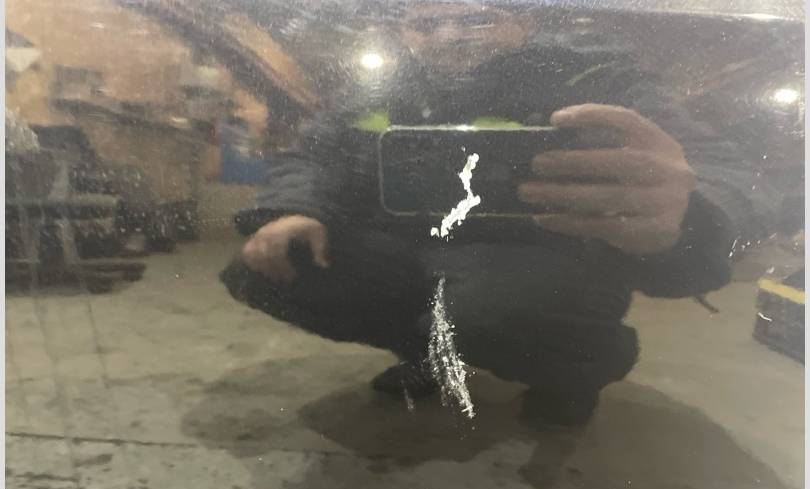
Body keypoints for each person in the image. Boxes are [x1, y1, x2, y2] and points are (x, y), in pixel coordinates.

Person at [221, 3, 778, 426]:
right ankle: (432, 356)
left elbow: (717, 165)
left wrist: (693, 207)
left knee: (484, 314)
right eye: (426, 23)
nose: (448, 36)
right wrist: (295, 208)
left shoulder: (594, 78)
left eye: (475, 18)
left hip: (545, 254)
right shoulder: (378, 88)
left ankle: (574, 372)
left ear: (524, 21)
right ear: (404, 30)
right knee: (272, 267)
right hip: (412, 245)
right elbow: (315, 154)